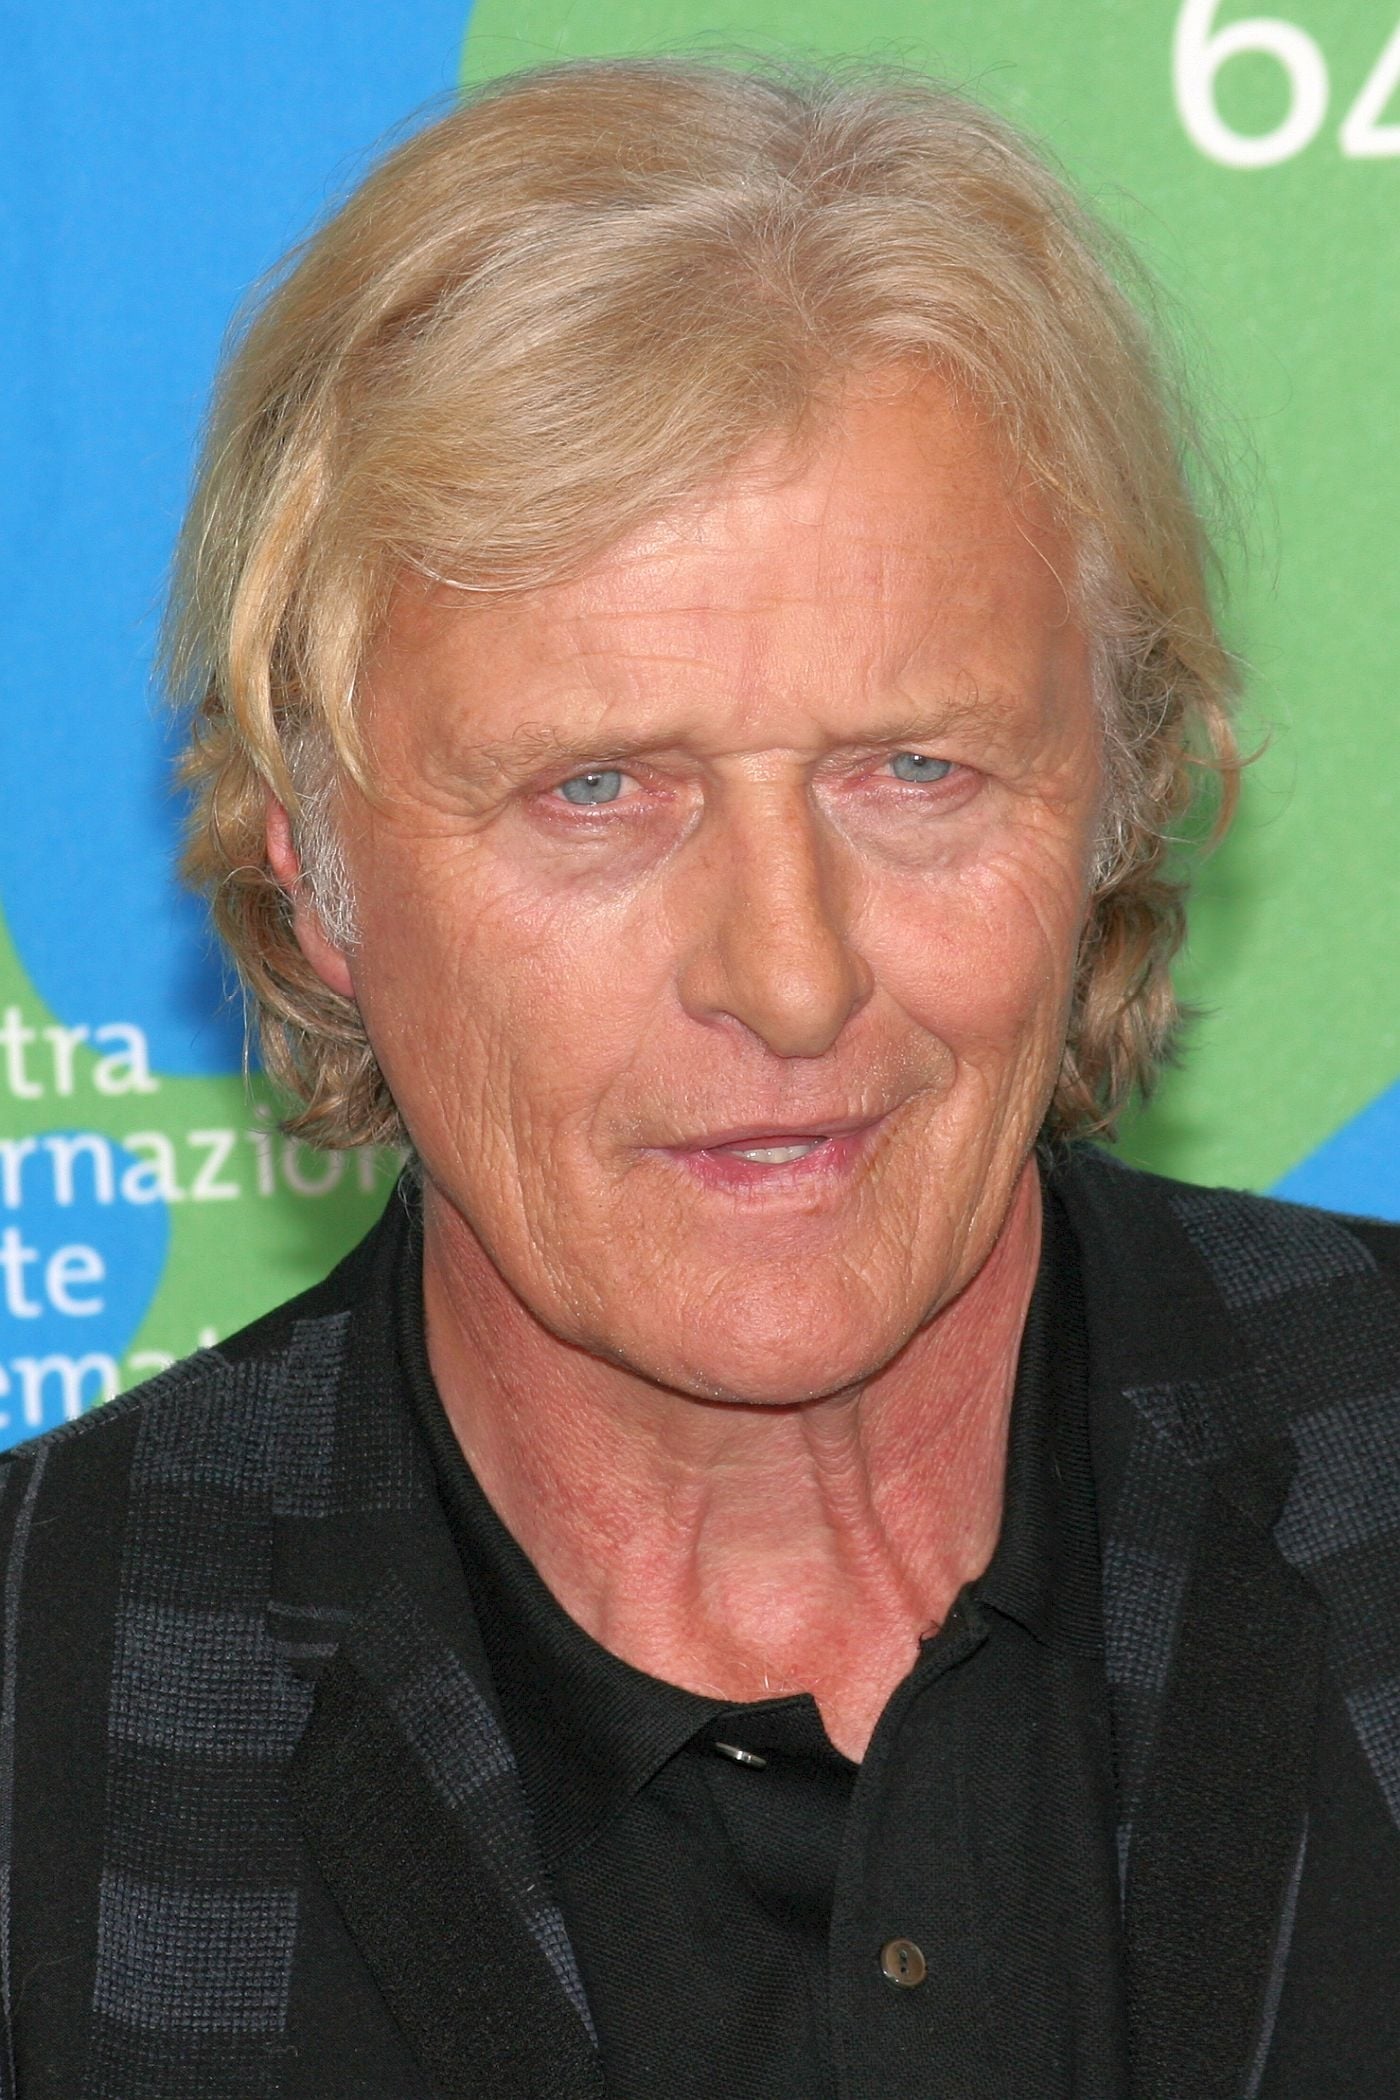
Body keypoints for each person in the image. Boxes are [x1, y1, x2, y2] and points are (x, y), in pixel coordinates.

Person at [5, 56, 1399, 2100]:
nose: (789, 975)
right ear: (312, 870)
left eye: (914, 769)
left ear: (1115, 799)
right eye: (596, 790)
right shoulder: (40, 1721)